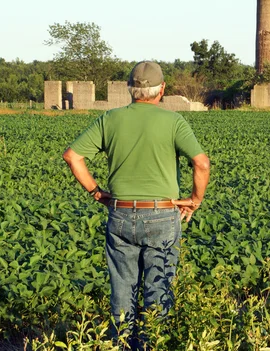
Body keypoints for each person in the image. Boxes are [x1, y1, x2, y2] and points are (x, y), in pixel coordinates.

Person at [62, 61, 210, 347]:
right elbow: (201, 163)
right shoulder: (174, 121)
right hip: (162, 215)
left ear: (130, 90)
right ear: (162, 90)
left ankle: (121, 345)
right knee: (158, 289)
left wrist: (96, 192)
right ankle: (154, 344)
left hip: (120, 213)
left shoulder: (110, 119)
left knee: (122, 288)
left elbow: (72, 156)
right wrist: (194, 200)